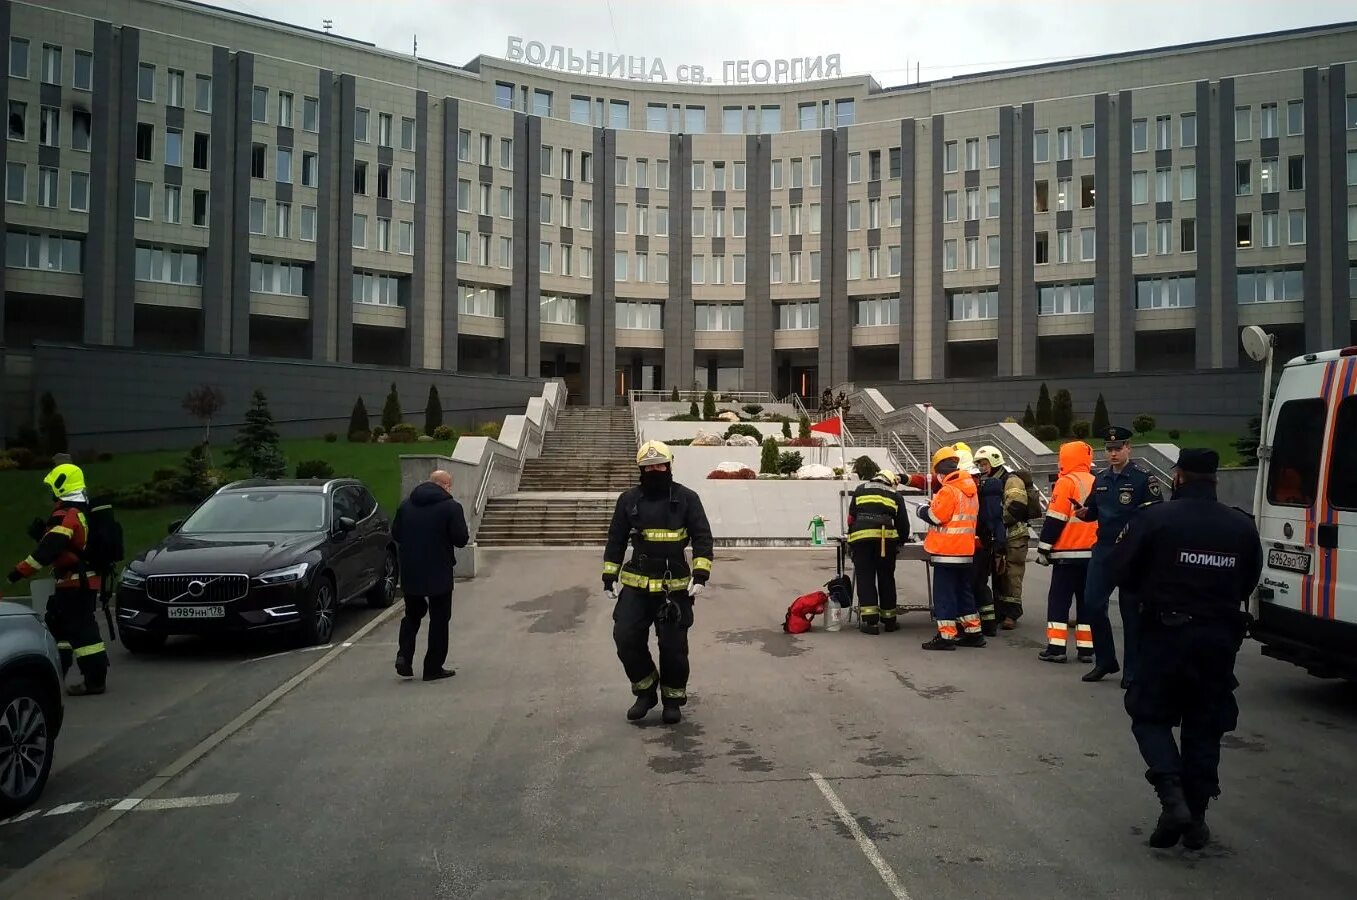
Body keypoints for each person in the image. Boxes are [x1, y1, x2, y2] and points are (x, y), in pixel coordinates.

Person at [1109, 449, 1261, 850]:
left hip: (1166, 634)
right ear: (1215, 480)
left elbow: (1121, 570)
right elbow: (1247, 581)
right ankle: (1195, 817)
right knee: (1204, 724)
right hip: (1219, 639)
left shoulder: (1154, 519)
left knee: (1149, 715)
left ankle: (1172, 797)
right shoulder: (1241, 526)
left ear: (1177, 477)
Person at [603, 440, 714, 725]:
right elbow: (616, 538)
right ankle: (645, 691)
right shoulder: (628, 500)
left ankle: (672, 699)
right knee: (625, 637)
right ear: (641, 468)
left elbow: (702, 537)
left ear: (669, 465)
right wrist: (609, 576)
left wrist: (701, 574)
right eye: (648, 466)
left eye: (659, 465)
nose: (654, 470)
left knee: (674, 648)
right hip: (637, 587)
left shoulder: (687, 498)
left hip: (673, 589)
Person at [7, 464, 110, 695]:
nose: (50, 491)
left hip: (75, 583)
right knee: (59, 626)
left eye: (52, 486)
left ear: (61, 485)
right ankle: (57, 674)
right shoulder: (79, 510)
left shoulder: (66, 515)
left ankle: (94, 681)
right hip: (77, 582)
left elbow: (47, 551)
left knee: (82, 631)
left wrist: (15, 574)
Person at [1074, 425, 1163, 686]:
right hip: (1104, 549)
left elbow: (1154, 516)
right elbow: (1093, 511)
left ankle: (1132, 670)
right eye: (1109, 449)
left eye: (1118, 448)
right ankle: (1105, 660)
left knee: (1130, 612)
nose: (1113, 453)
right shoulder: (1100, 479)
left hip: (1133, 553)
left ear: (1128, 448)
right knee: (1091, 604)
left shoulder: (1143, 478)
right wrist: (1084, 513)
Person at [392, 469, 469, 682]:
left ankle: (404, 657)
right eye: (449, 485)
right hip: (439, 570)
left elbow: (396, 533)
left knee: (412, 614)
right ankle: (433, 667)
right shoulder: (451, 507)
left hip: (411, 570)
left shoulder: (406, 505)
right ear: (444, 485)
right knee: (439, 618)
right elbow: (461, 539)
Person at [1034, 441, 1099, 664]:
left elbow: (1055, 519)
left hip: (1067, 554)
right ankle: (1086, 650)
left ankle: (1056, 648)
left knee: (1059, 601)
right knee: (1086, 602)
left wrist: (1043, 548)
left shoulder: (1066, 482)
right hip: (1092, 554)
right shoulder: (1097, 481)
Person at [914, 446, 984, 651]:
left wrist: (922, 510)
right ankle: (974, 632)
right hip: (965, 550)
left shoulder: (948, 490)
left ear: (942, 473)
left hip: (946, 551)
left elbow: (937, 517)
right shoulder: (970, 489)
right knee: (964, 591)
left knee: (944, 594)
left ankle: (946, 636)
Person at [975, 446, 1031, 631]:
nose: (982, 467)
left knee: (1012, 574)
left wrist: (997, 521)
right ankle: (999, 611)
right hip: (999, 536)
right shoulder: (990, 481)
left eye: (984, 463)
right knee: (999, 573)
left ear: (995, 461)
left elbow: (1017, 506)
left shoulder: (1012, 480)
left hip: (1015, 536)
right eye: (980, 464)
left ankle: (1012, 614)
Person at [846, 469, 907, 634]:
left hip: (861, 540)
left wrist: (851, 537)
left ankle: (870, 623)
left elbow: (851, 517)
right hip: (885, 541)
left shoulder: (860, 489)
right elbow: (903, 524)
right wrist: (901, 540)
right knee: (886, 578)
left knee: (865, 578)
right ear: (890, 481)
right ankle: (889, 621)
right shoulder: (895, 495)